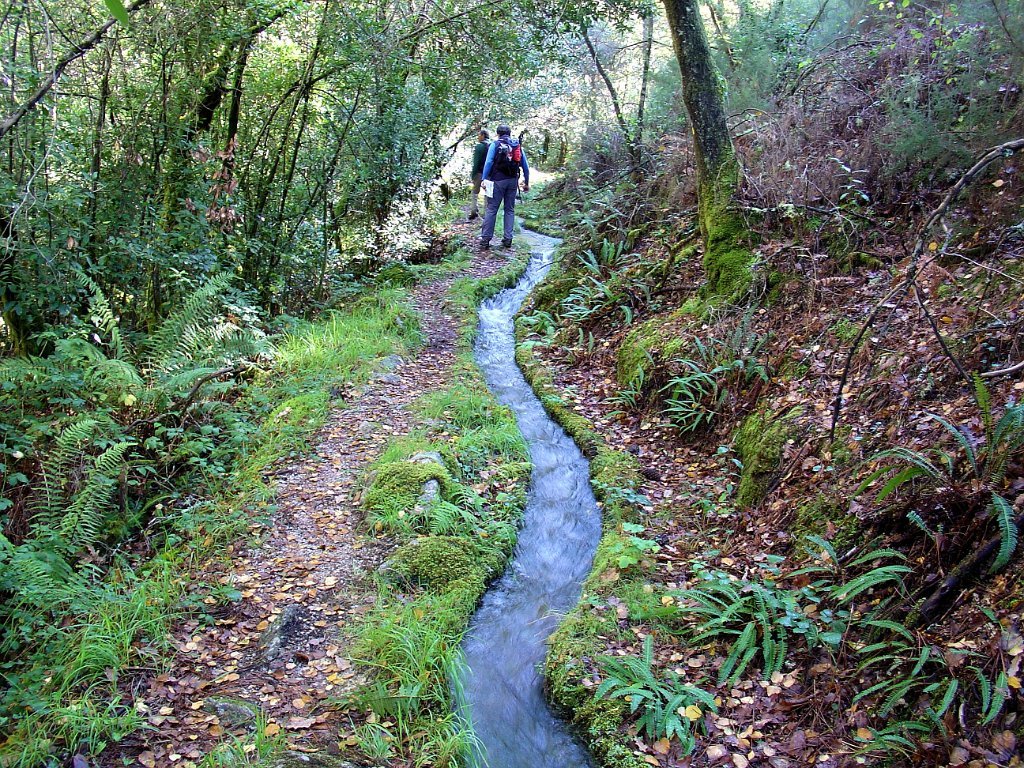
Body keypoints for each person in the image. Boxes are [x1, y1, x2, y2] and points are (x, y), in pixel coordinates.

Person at [479, 124, 529, 249]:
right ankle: (508, 239)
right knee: (509, 210)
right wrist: (527, 182)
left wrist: (484, 178)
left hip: (497, 181)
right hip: (513, 181)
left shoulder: (495, 145)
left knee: (492, 209)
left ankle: (485, 240)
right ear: (509, 133)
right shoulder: (516, 145)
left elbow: (489, 162)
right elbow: (525, 166)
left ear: (498, 134)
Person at [468, 129, 490, 220]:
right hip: (489, 174)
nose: (478, 137)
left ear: (483, 135)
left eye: (479, 135)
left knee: (475, 192)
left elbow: (476, 162)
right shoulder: (492, 145)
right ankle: (486, 214)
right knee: (487, 194)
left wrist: (473, 175)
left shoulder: (479, 146)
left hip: (479, 173)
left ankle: (473, 211)